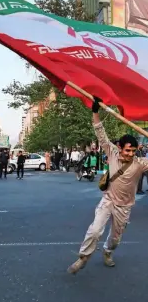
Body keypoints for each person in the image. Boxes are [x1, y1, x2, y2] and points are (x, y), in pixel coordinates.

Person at [67, 98, 148, 275]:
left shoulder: (141, 163)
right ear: (119, 148)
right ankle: (83, 258)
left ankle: (107, 252)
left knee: (115, 240)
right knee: (95, 230)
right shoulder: (111, 152)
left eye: (133, 151)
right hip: (108, 201)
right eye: (127, 150)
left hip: (124, 207)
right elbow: (100, 133)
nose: (130, 154)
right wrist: (95, 112)